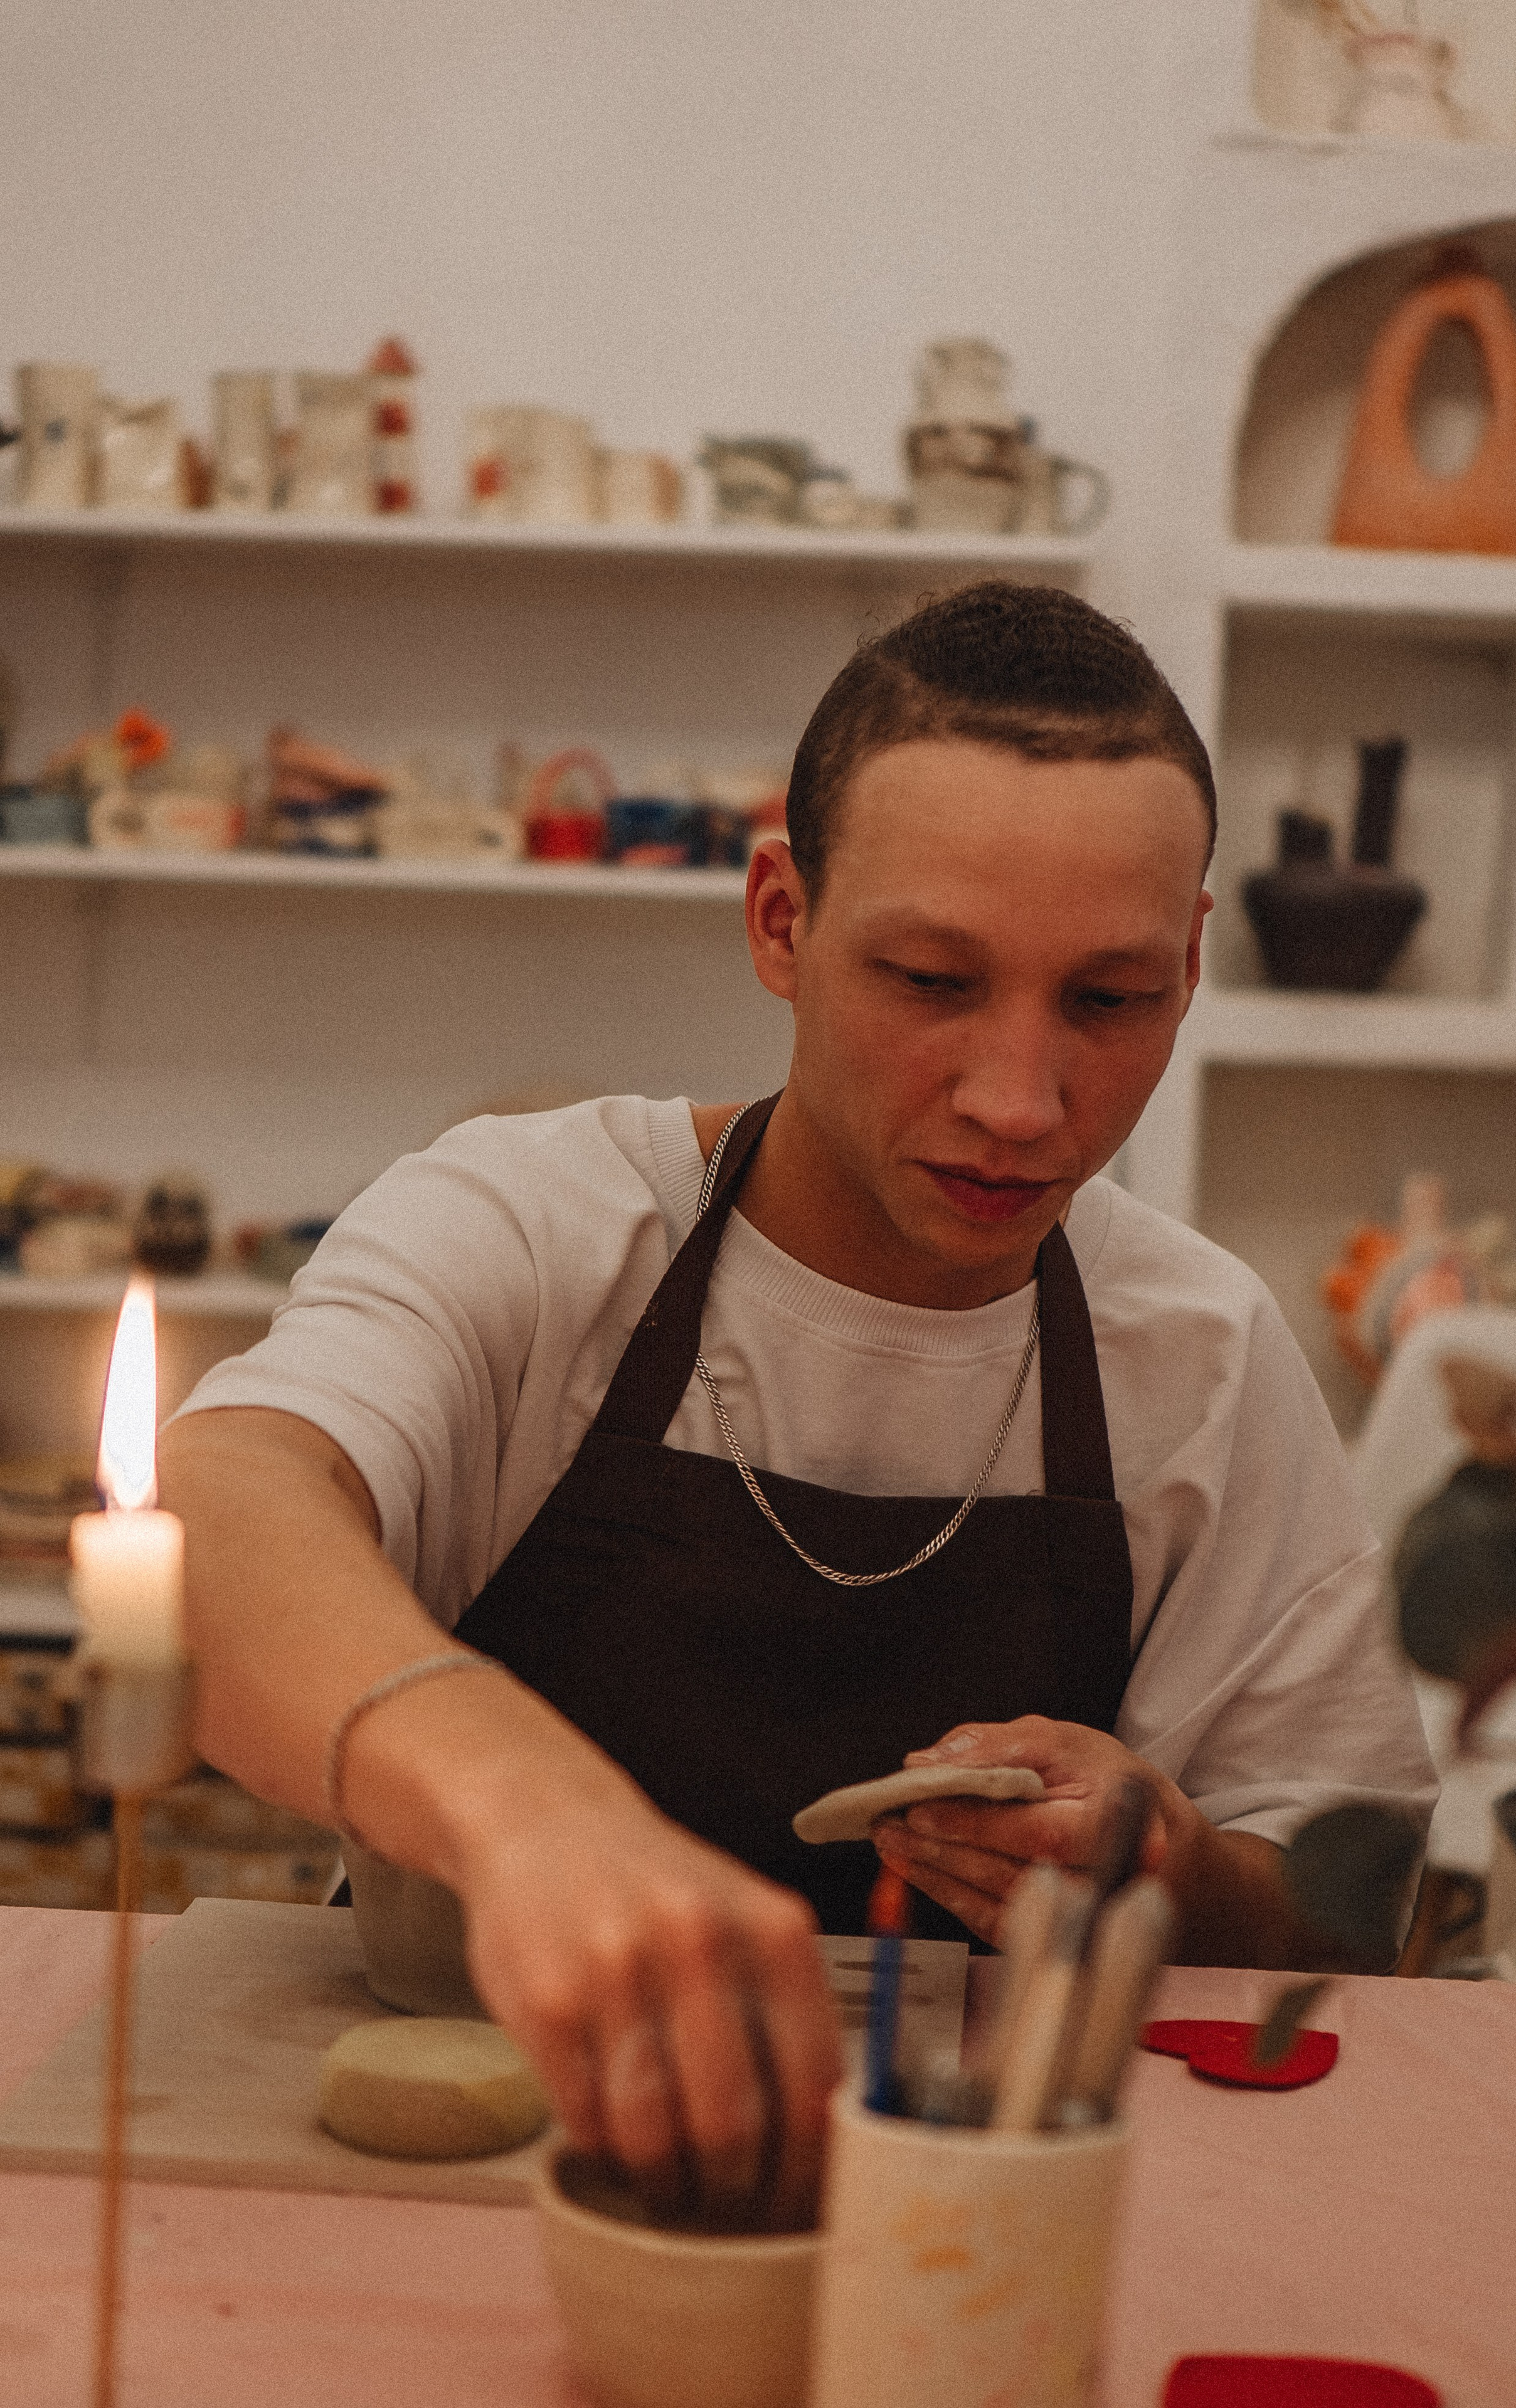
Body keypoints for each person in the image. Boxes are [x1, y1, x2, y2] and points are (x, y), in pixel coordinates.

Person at [161, 581, 1435, 2219]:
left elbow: (1358, 1914)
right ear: (780, 920)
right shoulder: (537, 1232)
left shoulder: (1197, 1351)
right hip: (474, 2176)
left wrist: (1178, 1876)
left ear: (1190, 965)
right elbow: (207, 1531)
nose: (1018, 1099)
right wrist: (535, 1817)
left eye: (1107, 1001)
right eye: (929, 979)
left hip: (975, 2202)